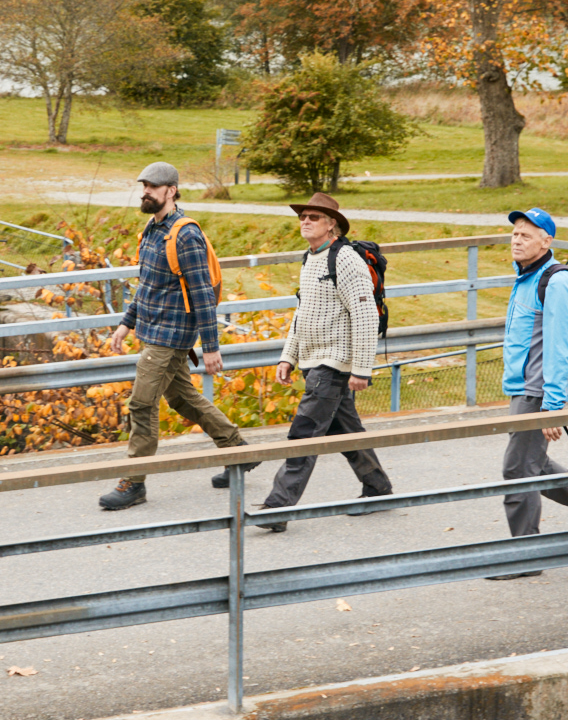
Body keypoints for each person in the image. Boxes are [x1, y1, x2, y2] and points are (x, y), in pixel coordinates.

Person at [99, 161, 245, 511]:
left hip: (172, 334)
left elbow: (202, 294)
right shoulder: (152, 230)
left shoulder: (185, 234)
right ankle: (238, 450)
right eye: (144, 186)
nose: (146, 192)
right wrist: (126, 323)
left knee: (141, 403)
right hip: (152, 330)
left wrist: (211, 347)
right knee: (182, 398)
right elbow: (148, 286)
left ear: (172, 190)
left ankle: (134, 482)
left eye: (153, 186)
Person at [251, 192, 394, 533]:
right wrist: (288, 356)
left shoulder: (345, 260)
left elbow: (364, 316)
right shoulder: (311, 258)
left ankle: (276, 508)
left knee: (304, 434)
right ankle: (377, 488)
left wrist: (362, 369)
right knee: (347, 431)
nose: (305, 221)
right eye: (303, 216)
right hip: (314, 360)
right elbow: (303, 313)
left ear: (332, 225)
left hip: (334, 363)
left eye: (313, 217)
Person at [496, 206, 568, 569]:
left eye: (526, 235)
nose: (517, 240)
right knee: (533, 464)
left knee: (518, 472)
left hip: (538, 392)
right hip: (523, 388)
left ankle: (525, 557)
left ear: (546, 242)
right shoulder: (526, 278)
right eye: (515, 234)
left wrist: (553, 404)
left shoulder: (557, 283)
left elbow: (560, 346)